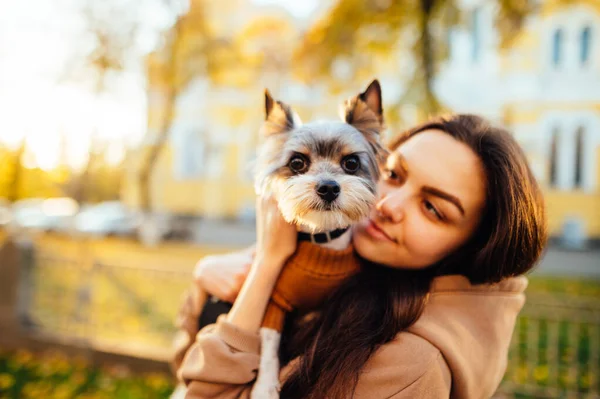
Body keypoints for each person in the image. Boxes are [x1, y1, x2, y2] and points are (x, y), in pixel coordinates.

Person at [173, 114, 547, 399]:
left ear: (471, 248)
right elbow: (182, 361)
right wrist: (208, 275)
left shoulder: (411, 364)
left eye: (432, 208)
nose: (385, 204)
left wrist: (265, 268)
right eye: (393, 173)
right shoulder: (364, 267)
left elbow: (200, 389)